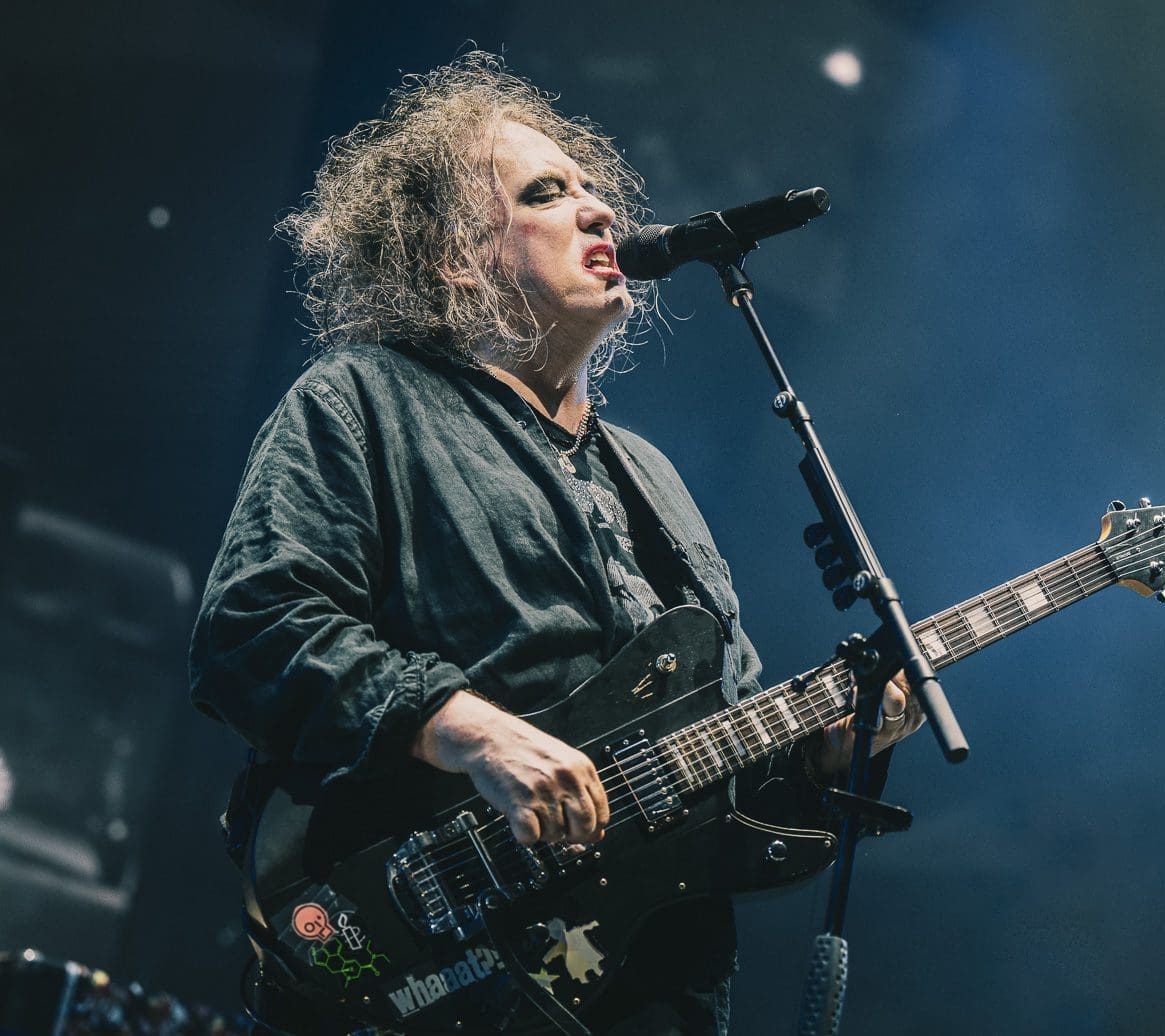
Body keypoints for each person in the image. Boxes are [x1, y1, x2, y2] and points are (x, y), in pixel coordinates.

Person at [190, 51, 921, 1035]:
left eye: (591, 189)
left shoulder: (654, 480)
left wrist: (827, 753)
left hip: (647, 994)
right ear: (455, 256)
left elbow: (725, 762)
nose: (600, 211)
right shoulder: (365, 400)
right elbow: (253, 626)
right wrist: (471, 730)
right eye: (548, 193)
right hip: (428, 948)